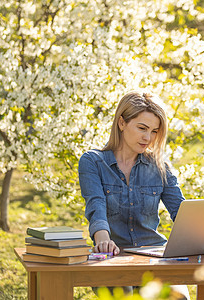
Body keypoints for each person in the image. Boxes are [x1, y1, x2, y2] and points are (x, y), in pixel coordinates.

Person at [78, 91, 190, 299]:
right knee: (125, 294)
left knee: (178, 297)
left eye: (154, 131)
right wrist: (103, 239)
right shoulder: (93, 162)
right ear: (121, 123)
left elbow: (183, 213)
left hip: (154, 256)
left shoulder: (160, 166)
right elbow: (96, 206)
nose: (148, 138)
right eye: (142, 128)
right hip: (113, 255)